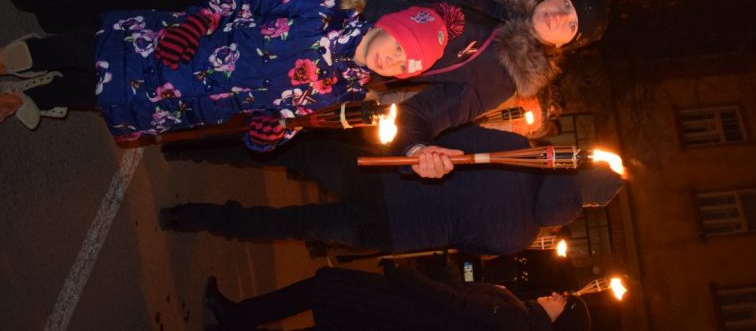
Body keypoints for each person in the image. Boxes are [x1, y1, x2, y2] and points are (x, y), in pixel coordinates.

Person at [6, 0, 609, 164]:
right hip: (323, 0)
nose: (560, 17)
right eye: (566, 5)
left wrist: (417, 149)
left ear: (565, 46)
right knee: (149, 12)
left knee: (112, 90)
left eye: (571, 27)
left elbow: (434, 113)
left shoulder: (499, 77)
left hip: (324, 65)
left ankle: (44, 91)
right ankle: (44, 29)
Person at [0, 0, 463, 152]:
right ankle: (36, 54)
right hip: (187, 46)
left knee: (106, 95)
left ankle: (40, 94)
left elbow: (288, 118)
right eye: (399, 45)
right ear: (387, 24)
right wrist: (200, 20)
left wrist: (270, 134)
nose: (392, 59)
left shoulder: (347, 91)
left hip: (191, 100)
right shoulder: (327, 8)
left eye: (404, 65)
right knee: (100, 53)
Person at [159, 124, 624, 256]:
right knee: (289, 224)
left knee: (295, 152)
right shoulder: (522, 237)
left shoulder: (520, 153)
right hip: (393, 233)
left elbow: (458, 139)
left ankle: (189, 148)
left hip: (389, 179)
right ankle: (188, 218)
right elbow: (465, 244)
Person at [200, 266, 591, 331]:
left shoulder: (517, 321)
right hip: (402, 315)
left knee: (321, 288)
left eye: (564, 301)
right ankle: (237, 317)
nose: (557, 295)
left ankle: (236, 316)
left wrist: (404, 274)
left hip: (401, 309)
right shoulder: (520, 315)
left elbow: (451, 304)